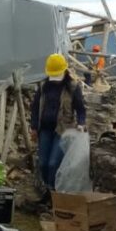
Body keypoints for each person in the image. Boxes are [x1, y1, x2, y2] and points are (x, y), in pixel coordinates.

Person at [30, 54, 86, 190]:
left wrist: (81, 123)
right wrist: (34, 127)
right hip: (45, 129)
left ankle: (52, 192)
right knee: (43, 162)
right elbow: (35, 107)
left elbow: (81, 109)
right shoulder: (43, 86)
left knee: (53, 163)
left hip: (63, 130)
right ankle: (45, 189)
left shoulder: (72, 87)